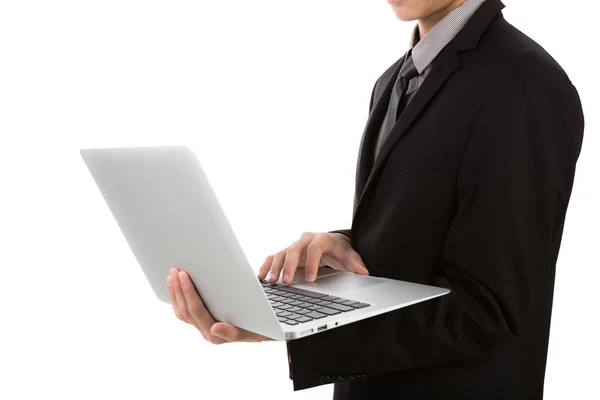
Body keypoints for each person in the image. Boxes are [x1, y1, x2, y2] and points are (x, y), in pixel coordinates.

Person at [165, 0, 585, 398]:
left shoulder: (526, 84)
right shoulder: (393, 80)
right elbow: (431, 228)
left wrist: (302, 328)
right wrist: (347, 246)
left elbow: (490, 309)